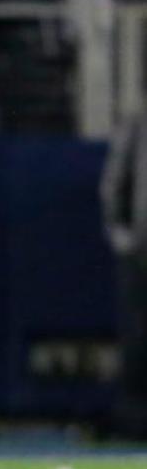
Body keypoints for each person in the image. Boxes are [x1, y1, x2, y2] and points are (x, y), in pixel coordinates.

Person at [101, 109, 147, 439]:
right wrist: (123, 238)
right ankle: (135, 422)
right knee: (138, 338)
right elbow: (114, 182)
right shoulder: (138, 123)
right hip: (142, 254)